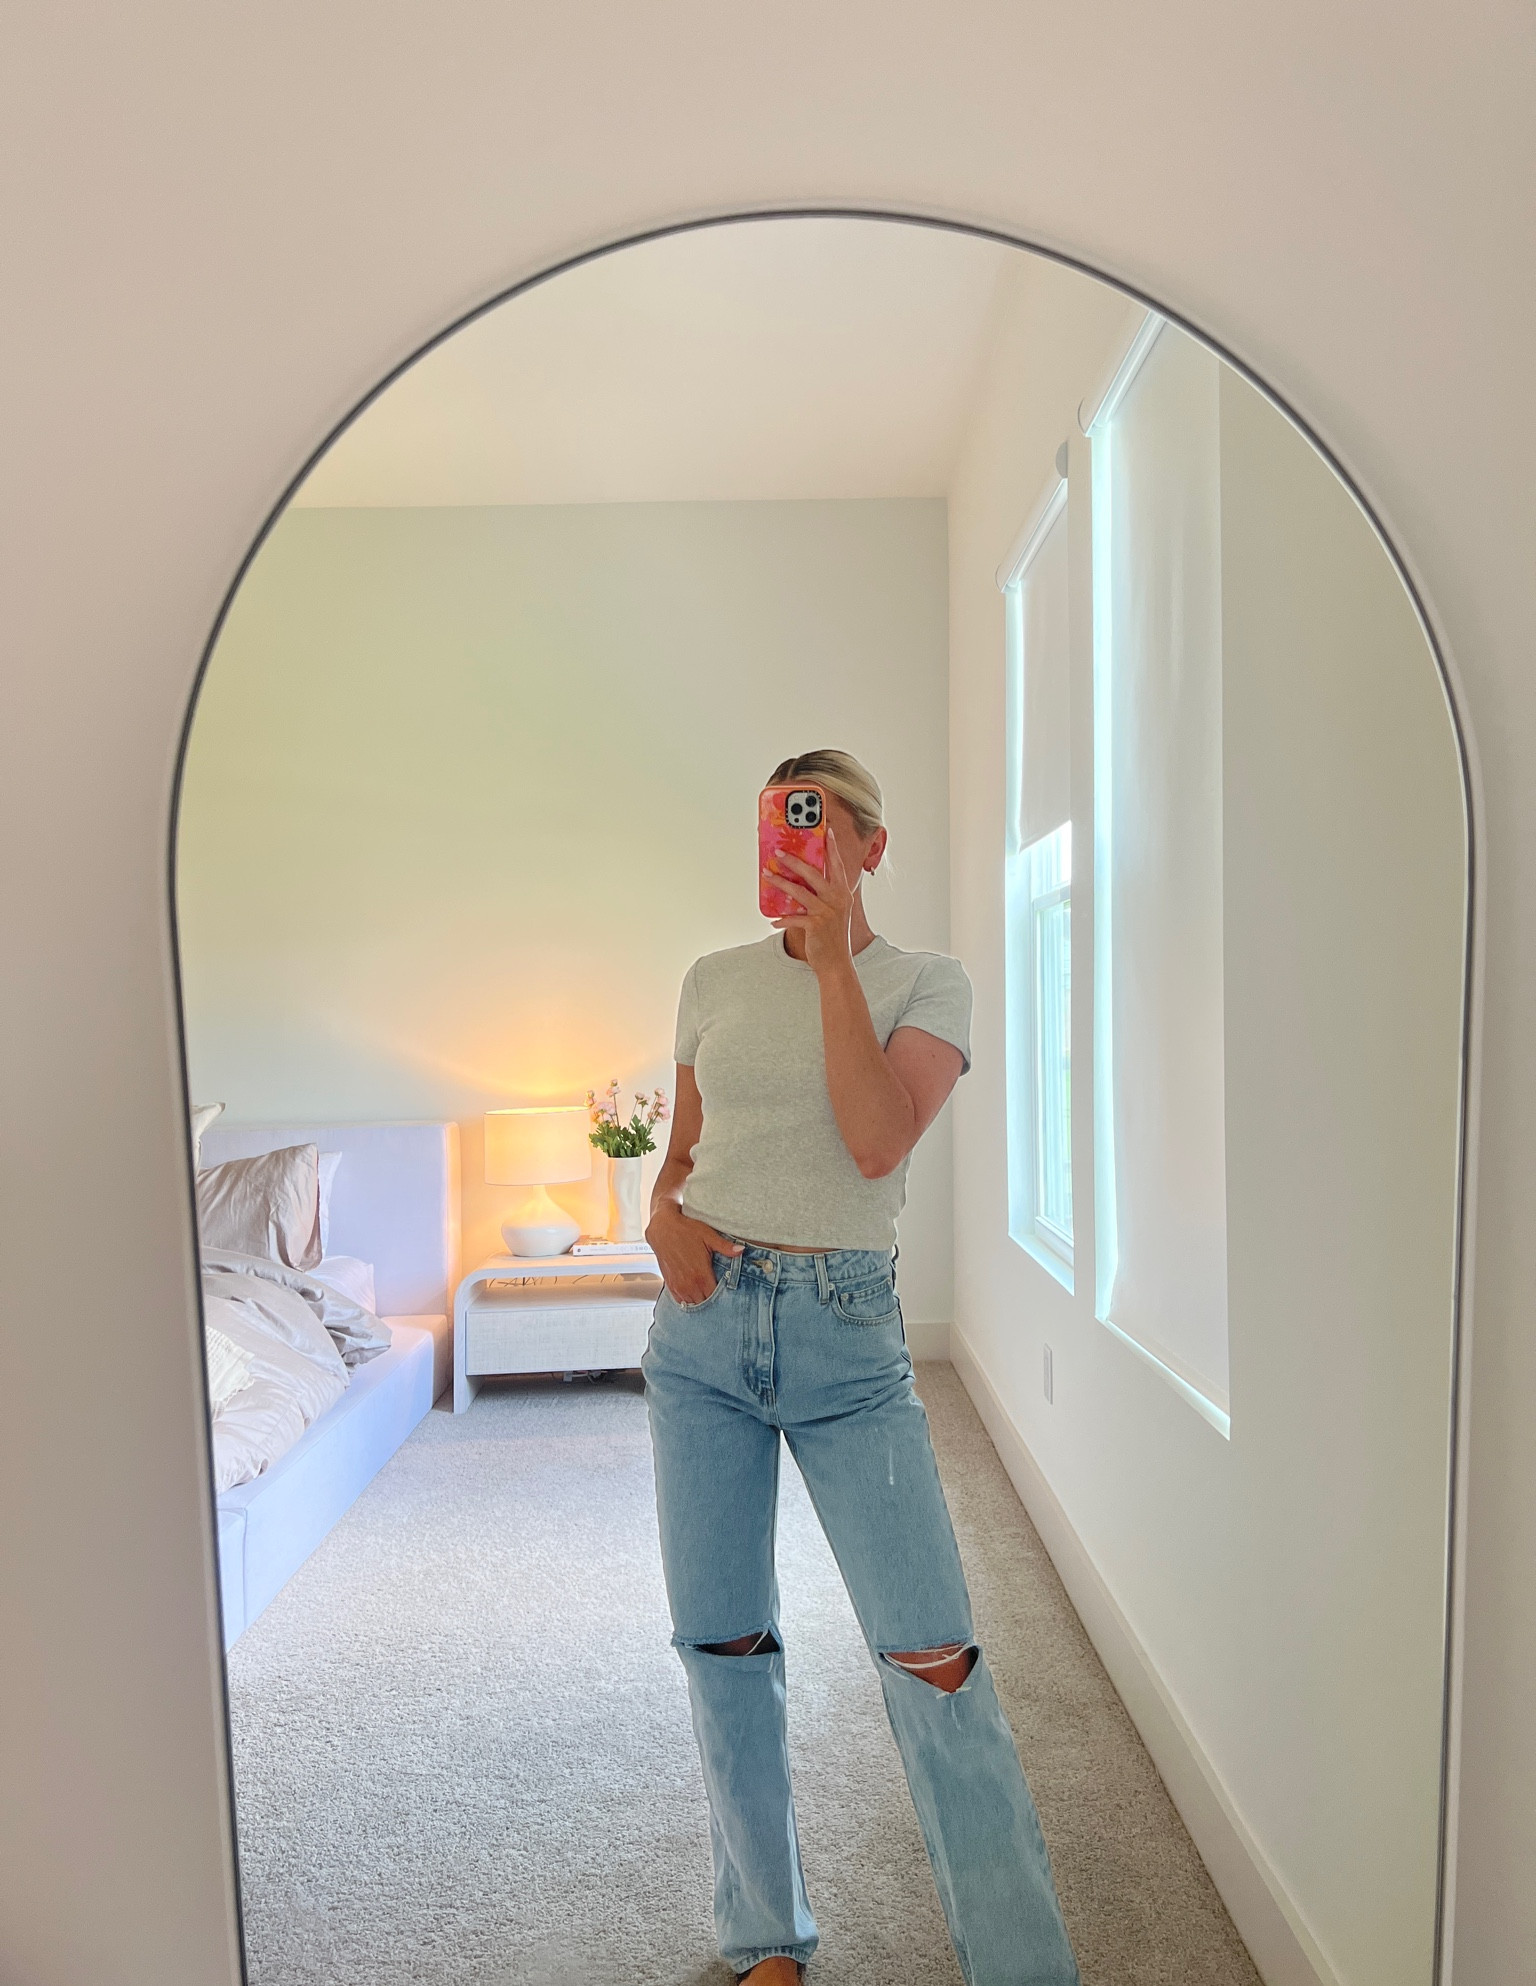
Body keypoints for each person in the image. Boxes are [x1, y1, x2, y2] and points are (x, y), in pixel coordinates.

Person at [641, 749, 1080, 1985]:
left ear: (869, 848)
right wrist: (660, 1222)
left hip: (847, 1341)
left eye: (816, 825)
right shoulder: (712, 980)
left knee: (934, 1660)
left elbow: (879, 1143)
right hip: (702, 1340)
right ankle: (764, 1942)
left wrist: (834, 960)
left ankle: (1023, 1967)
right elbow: (681, 1160)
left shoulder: (927, 981)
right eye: (775, 827)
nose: (791, 849)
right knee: (723, 1647)